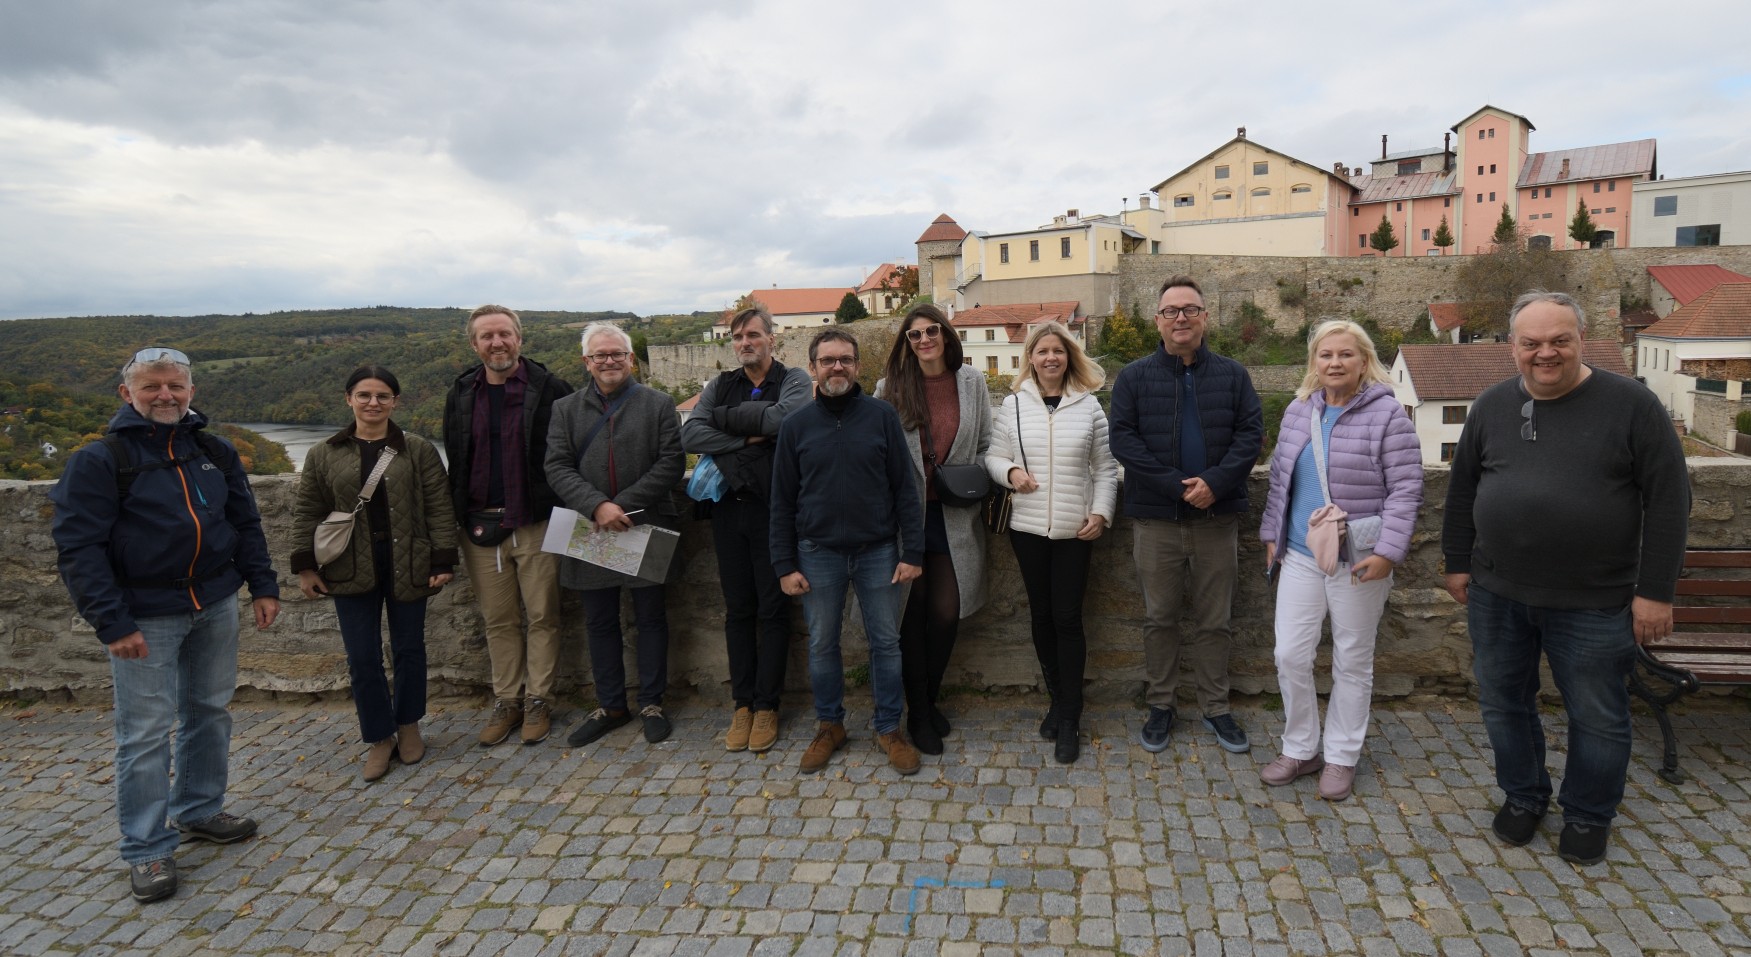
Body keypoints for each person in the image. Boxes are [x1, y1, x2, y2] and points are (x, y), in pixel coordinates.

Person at [1443, 290, 1689, 866]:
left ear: (1583, 340)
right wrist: (1457, 562)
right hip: (1497, 593)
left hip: (1596, 599)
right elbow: (1462, 492)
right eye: (1531, 343)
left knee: (1598, 715)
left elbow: (1670, 503)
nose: (1545, 353)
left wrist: (1655, 593)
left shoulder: (1632, 405)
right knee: (1505, 703)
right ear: (1513, 347)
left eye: (1559, 341)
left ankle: (1587, 815)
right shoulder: (1491, 406)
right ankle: (1524, 797)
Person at [50, 347, 281, 904]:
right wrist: (112, 623)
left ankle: (199, 810)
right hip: (145, 617)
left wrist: (264, 585)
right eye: (152, 387)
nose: (165, 396)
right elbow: (79, 549)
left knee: (209, 711)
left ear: (190, 391)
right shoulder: (102, 460)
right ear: (127, 394)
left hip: (216, 601)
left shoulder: (212, 450)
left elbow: (243, 521)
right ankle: (147, 848)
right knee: (146, 733)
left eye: (175, 386)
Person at [1258, 321, 1422, 801]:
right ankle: (1301, 747)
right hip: (1301, 555)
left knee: (1352, 659)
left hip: (1359, 558)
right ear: (1314, 362)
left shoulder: (1388, 416)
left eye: (1345, 355)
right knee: (1289, 654)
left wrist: (1389, 553)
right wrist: (1272, 534)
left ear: (1364, 360)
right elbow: (1279, 480)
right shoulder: (1296, 412)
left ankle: (1341, 756)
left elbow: (1407, 489)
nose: (1334, 363)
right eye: (1325, 355)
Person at [1109, 275, 1263, 755]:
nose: (1181, 317)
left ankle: (1217, 707)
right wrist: (1179, 487)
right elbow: (1124, 441)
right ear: (1158, 320)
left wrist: (1215, 484)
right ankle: (1162, 705)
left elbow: (1250, 435)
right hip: (1157, 520)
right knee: (1160, 618)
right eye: (1171, 310)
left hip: (1216, 520)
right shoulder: (1134, 377)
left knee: (1216, 620)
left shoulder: (1234, 375)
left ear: (1204, 317)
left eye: (1190, 309)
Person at [770, 329, 925, 775]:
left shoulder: (882, 417)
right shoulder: (796, 425)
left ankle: (889, 728)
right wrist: (784, 563)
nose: (837, 367)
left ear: (858, 366)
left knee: (886, 644)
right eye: (828, 360)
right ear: (813, 367)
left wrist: (910, 551)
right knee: (822, 645)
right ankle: (830, 726)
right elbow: (782, 501)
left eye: (846, 360)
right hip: (817, 552)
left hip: (878, 550)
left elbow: (905, 490)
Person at [291, 366, 456, 782]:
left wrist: (441, 561)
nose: (373, 403)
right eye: (364, 395)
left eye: (383, 396)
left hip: (408, 563)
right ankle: (380, 737)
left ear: (395, 402)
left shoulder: (417, 450)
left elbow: (438, 507)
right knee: (362, 657)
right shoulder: (324, 453)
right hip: (349, 567)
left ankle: (409, 724)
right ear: (349, 399)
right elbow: (308, 511)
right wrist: (305, 565)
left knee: (409, 650)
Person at [680, 305, 813, 753]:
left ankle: (768, 704)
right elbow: (691, 435)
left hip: (776, 510)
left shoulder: (792, 380)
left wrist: (727, 421)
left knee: (774, 609)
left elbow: (786, 421)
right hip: (729, 510)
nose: (744, 344)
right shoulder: (721, 384)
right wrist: (749, 437)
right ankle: (743, 704)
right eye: (737, 338)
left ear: (771, 339)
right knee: (738, 609)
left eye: (753, 335)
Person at [546, 322, 684, 749]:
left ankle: (652, 703)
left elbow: (671, 462)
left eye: (617, 354)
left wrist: (620, 504)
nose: (609, 361)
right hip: (589, 527)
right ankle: (610, 705)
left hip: (645, 521)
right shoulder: (565, 409)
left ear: (630, 359)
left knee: (651, 618)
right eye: (600, 355)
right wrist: (597, 506)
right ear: (587, 361)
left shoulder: (659, 403)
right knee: (600, 621)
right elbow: (556, 466)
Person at [985, 321, 1118, 764]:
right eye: (1042, 351)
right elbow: (994, 456)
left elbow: (1105, 468)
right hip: (1027, 529)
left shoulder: (1089, 407)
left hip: (1074, 531)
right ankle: (1057, 700)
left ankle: (1070, 715)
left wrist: (1100, 512)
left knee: (1067, 618)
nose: (1050, 358)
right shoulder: (1013, 405)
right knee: (1040, 615)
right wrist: (1010, 474)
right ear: (1031, 358)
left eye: (1057, 351)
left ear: (1069, 357)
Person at [443, 304, 574, 747]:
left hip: (536, 522)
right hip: (480, 526)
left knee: (542, 615)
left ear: (520, 338)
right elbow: (456, 459)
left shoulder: (552, 388)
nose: (496, 343)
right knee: (498, 619)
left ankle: (538, 700)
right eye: (487, 336)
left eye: (504, 334)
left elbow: (569, 455)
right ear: (474, 343)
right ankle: (507, 701)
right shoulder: (462, 392)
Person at [874, 303, 991, 755]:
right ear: (906, 342)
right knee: (911, 616)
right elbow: (881, 452)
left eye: (931, 332)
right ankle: (920, 712)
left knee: (945, 613)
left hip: (955, 514)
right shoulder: (891, 387)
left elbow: (984, 441)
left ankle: (927, 699)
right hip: (908, 520)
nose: (923, 340)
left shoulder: (972, 382)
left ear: (945, 335)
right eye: (914, 335)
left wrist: (967, 475)